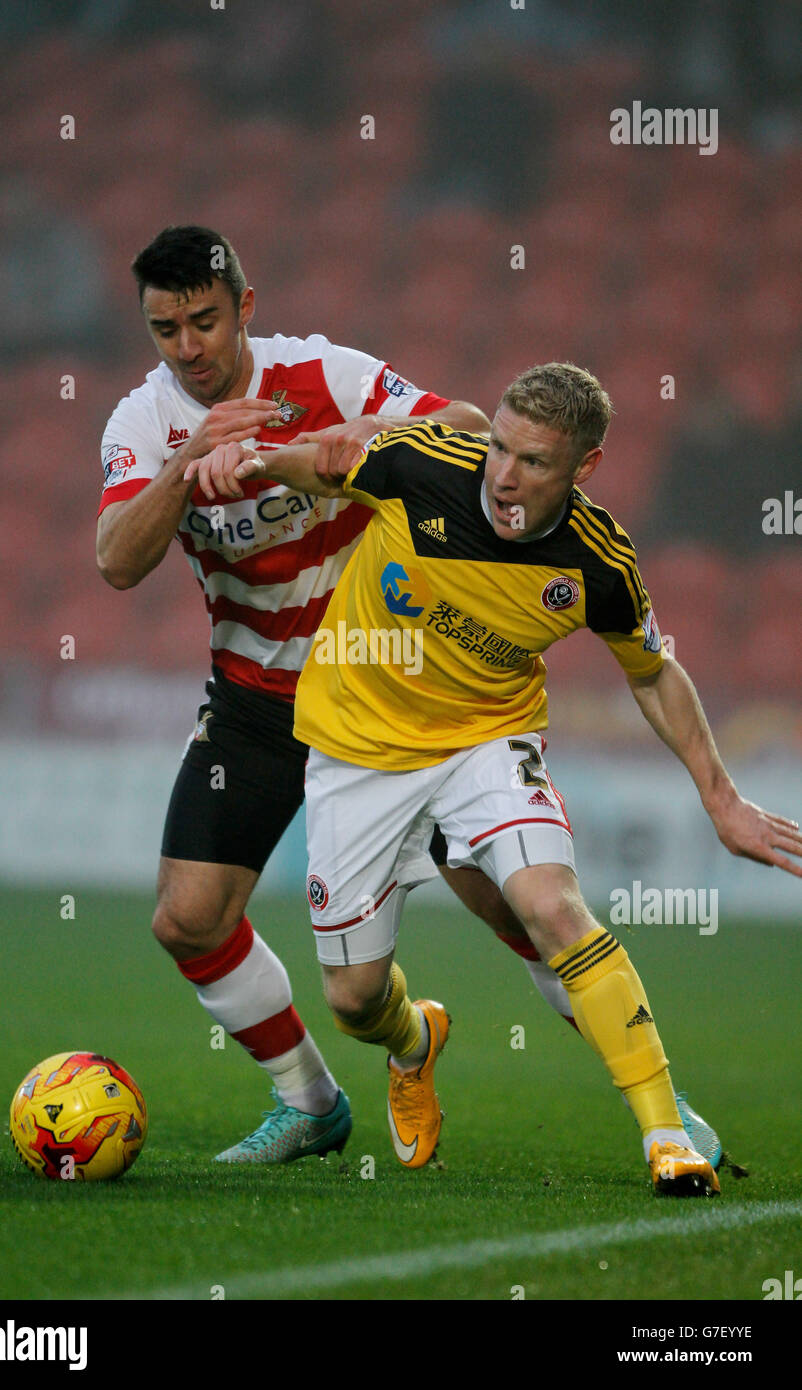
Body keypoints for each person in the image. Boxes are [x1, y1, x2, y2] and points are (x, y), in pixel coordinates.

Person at [189, 362, 802, 1194]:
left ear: (583, 469)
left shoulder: (596, 562)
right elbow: (317, 464)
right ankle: (415, 1042)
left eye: (534, 463)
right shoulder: (421, 465)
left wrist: (721, 799)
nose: (504, 475)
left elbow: (653, 672)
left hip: (486, 738)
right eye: (501, 449)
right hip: (358, 749)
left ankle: (668, 1132)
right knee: (355, 1001)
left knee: (551, 905)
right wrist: (248, 463)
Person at [95, 224, 488, 1162]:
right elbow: (115, 562)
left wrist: (360, 437)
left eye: (204, 321)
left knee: (512, 902)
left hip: (385, 692)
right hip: (257, 699)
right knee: (187, 919)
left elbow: (469, 429)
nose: (188, 348)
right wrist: (187, 472)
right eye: (165, 329)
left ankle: (665, 1109)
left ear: (246, 309)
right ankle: (313, 1103)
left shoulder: (324, 374)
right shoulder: (142, 423)